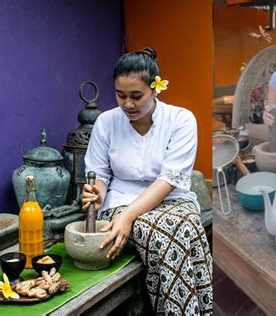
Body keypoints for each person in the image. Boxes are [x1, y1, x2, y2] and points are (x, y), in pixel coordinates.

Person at [81, 47, 212, 315]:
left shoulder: (181, 120)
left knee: (188, 226)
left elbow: (169, 180)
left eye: (136, 96)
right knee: (165, 237)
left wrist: (130, 216)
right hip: (119, 203)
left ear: (156, 89)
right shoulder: (106, 122)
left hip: (172, 201)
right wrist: (96, 192)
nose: (128, 104)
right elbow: (100, 173)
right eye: (120, 95)